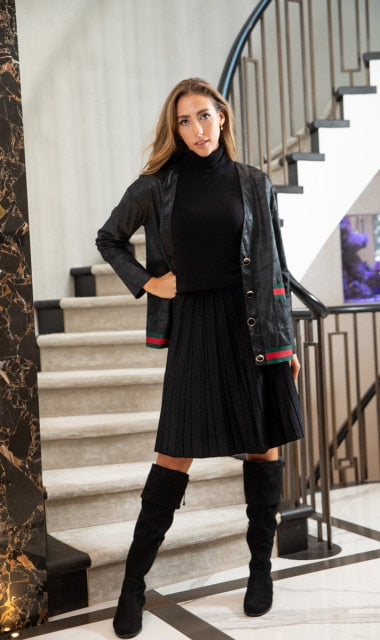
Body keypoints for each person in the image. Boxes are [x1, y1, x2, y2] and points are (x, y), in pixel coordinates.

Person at [96, 77, 304, 639]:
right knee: (173, 455)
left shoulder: (254, 183)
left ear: (222, 117)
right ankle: (133, 587)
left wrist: (285, 344)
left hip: (252, 327)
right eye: (184, 121)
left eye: (204, 116)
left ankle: (260, 571)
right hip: (194, 328)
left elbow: (274, 265)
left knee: (261, 448)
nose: (196, 129)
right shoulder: (156, 186)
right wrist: (148, 282)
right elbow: (109, 238)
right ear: (176, 128)